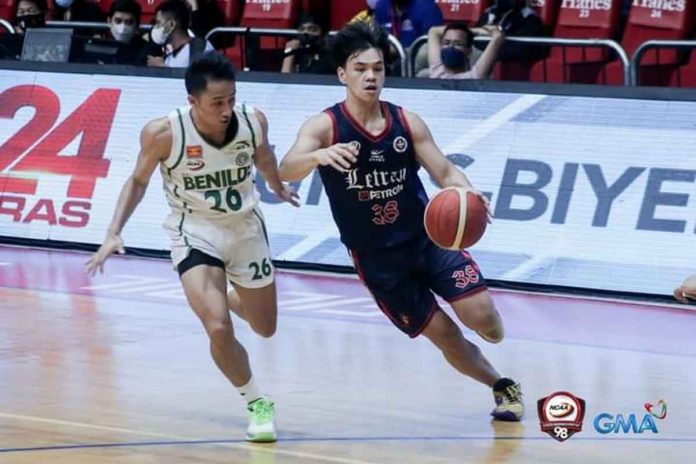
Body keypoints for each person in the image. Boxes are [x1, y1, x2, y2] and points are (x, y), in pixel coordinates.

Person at [278, 21, 523, 421]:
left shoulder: (406, 122)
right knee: (446, 337)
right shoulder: (324, 127)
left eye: (377, 68)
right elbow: (288, 168)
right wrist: (317, 157)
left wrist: (466, 191)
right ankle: (502, 386)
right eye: (360, 69)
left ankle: (491, 331)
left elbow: (444, 171)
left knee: (486, 322)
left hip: (429, 242)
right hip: (379, 261)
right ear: (342, 74)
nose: (371, 76)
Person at [86, 52, 299, 442]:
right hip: (195, 232)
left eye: (231, 99)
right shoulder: (163, 133)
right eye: (217, 103)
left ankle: (234, 298)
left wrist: (277, 185)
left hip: (246, 230)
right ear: (193, 101)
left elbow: (264, 155)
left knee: (265, 328)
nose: (226, 110)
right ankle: (256, 402)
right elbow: (137, 181)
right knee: (218, 326)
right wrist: (114, 230)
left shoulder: (252, 121)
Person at [147, 0, 214, 68]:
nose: (155, 28)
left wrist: (165, 68)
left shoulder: (200, 48)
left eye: (158, 23)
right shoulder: (168, 57)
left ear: (171, 25)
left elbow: (202, 76)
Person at [427, 23, 505, 79]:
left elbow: (497, 37)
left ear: (468, 50)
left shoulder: (473, 77)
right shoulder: (436, 71)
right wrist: (476, 31)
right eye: (446, 43)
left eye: (458, 44)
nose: (450, 47)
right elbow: (434, 31)